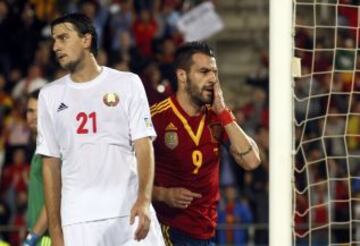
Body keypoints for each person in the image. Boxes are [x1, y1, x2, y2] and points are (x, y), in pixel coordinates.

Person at [36, 13, 164, 246]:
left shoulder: (128, 83)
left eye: (63, 38)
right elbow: (50, 164)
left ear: (86, 40)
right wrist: (55, 231)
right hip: (78, 220)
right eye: (54, 40)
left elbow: (144, 145)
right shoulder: (49, 96)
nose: (56, 46)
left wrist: (144, 200)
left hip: (129, 212)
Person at [151, 41, 261, 245]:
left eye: (214, 72)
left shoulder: (218, 117)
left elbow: (252, 161)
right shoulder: (156, 117)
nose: (212, 79)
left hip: (207, 232)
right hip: (167, 228)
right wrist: (162, 194)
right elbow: (126, 176)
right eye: (204, 72)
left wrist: (223, 111)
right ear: (182, 76)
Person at [23, 89, 51, 246]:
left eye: (38, 111)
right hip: (41, 234)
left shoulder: (52, 148)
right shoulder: (39, 146)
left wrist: (31, 238)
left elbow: (55, 198)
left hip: (47, 236)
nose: (32, 116)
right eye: (30, 110)